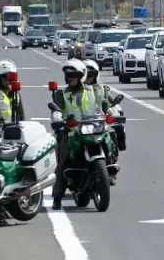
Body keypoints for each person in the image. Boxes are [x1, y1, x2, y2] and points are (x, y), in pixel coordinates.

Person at [50, 59, 103, 210]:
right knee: (62, 161)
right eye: (68, 75)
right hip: (70, 132)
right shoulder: (61, 94)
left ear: (82, 75)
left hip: (92, 128)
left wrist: (112, 112)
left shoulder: (94, 90)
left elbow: (103, 105)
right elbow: (56, 110)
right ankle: (57, 196)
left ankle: (108, 170)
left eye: (73, 75)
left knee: (107, 139)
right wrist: (57, 120)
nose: (70, 78)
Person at [83, 59, 125, 186]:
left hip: (99, 123)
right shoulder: (76, 90)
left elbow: (112, 102)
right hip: (81, 124)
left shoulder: (102, 89)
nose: (89, 79)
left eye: (92, 75)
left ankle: (111, 165)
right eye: (86, 76)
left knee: (113, 131)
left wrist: (114, 111)